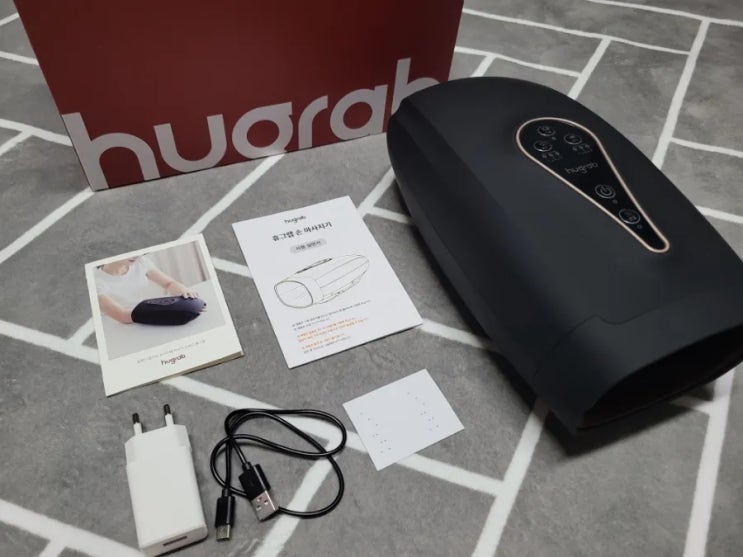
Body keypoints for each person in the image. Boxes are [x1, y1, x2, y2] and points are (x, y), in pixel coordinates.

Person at [95, 255, 201, 324]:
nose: (136, 255)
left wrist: (185, 293)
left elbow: (169, 284)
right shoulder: (96, 281)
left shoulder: (140, 262)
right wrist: (174, 310)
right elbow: (123, 316)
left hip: (141, 313)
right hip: (116, 323)